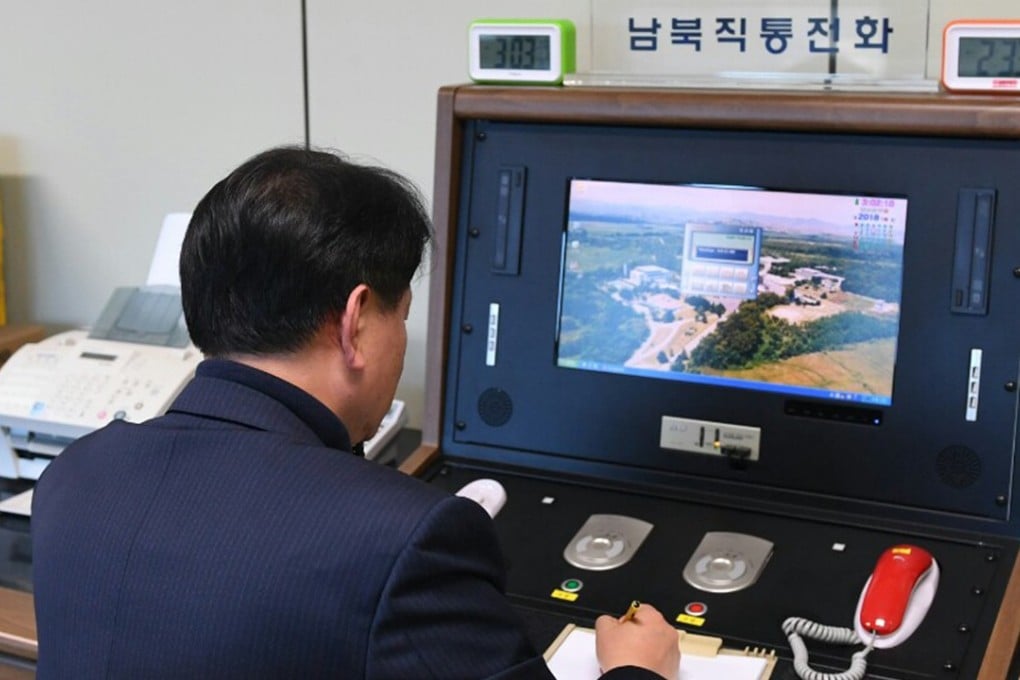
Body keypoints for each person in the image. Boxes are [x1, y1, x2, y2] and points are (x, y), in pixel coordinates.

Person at [31, 146, 681, 679]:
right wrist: (637, 671)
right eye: (400, 316)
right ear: (355, 322)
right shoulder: (406, 540)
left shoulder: (74, 477)